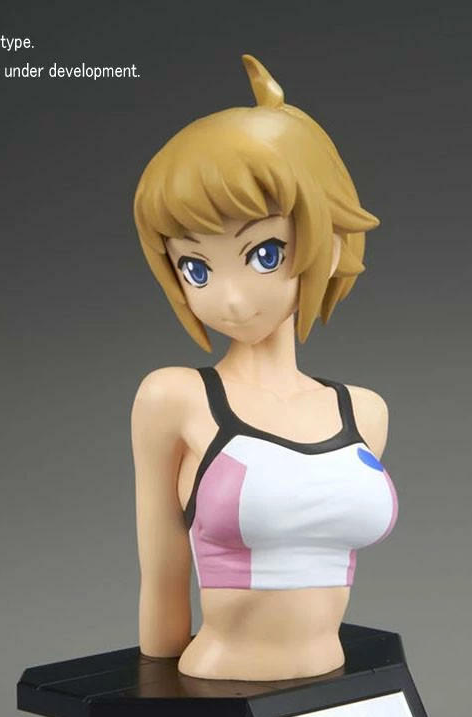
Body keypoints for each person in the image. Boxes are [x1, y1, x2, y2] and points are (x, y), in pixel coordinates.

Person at [131, 55, 397, 681]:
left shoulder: (363, 411)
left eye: (264, 253)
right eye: (195, 268)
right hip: (218, 674)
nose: (229, 297)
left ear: (329, 241)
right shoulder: (176, 398)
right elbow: (163, 572)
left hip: (329, 682)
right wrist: (156, 696)